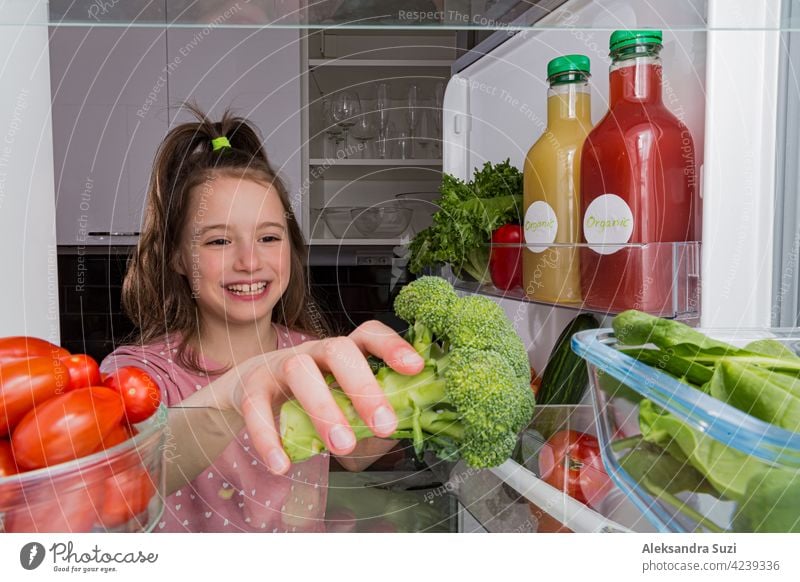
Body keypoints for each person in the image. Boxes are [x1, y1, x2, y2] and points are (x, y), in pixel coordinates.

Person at [100, 104, 424, 532]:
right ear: (177, 256)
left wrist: (413, 379)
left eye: (269, 237)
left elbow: (356, 452)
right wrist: (242, 389)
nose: (250, 261)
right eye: (218, 240)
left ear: (291, 247)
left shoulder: (310, 354)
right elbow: (120, 484)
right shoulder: (139, 377)